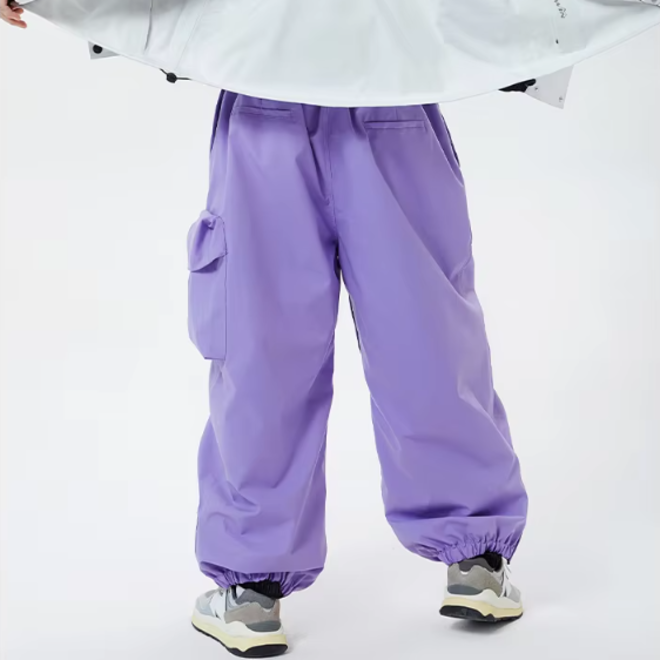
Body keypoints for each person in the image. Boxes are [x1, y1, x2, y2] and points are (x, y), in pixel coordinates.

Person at [3, 2, 531, 657]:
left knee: (268, 347)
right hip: (385, 88)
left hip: (274, 98)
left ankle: (252, 586)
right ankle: (476, 556)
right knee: (423, 339)